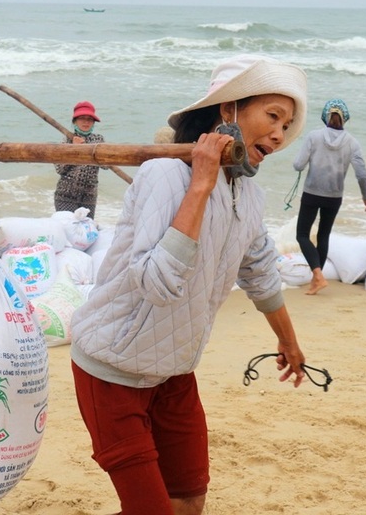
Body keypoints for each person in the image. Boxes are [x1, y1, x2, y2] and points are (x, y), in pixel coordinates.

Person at [70, 54, 310, 515]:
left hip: (174, 371)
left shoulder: (248, 194)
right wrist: (200, 185)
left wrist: (289, 343)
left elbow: (258, 270)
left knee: (189, 500)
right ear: (229, 111)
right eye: (273, 116)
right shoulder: (166, 172)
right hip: (112, 370)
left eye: (287, 124)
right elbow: (156, 282)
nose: (279, 134)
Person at [292, 98, 366, 295]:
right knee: (323, 235)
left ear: (325, 116)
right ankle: (316, 279)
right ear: (345, 118)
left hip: (312, 193)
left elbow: (298, 165)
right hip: (334, 197)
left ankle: (318, 276)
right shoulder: (352, 143)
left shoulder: (313, 136)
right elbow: (361, 173)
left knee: (302, 235)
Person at [54, 100, 104, 218]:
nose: (86, 122)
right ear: (75, 121)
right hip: (66, 195)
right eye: (82, 118)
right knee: (68, 228)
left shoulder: (99, 140)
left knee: (86, 230)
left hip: (89, 196)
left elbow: (106, 166)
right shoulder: (66, 141)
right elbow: (60, 169)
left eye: (89, 119)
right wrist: (74, 149)